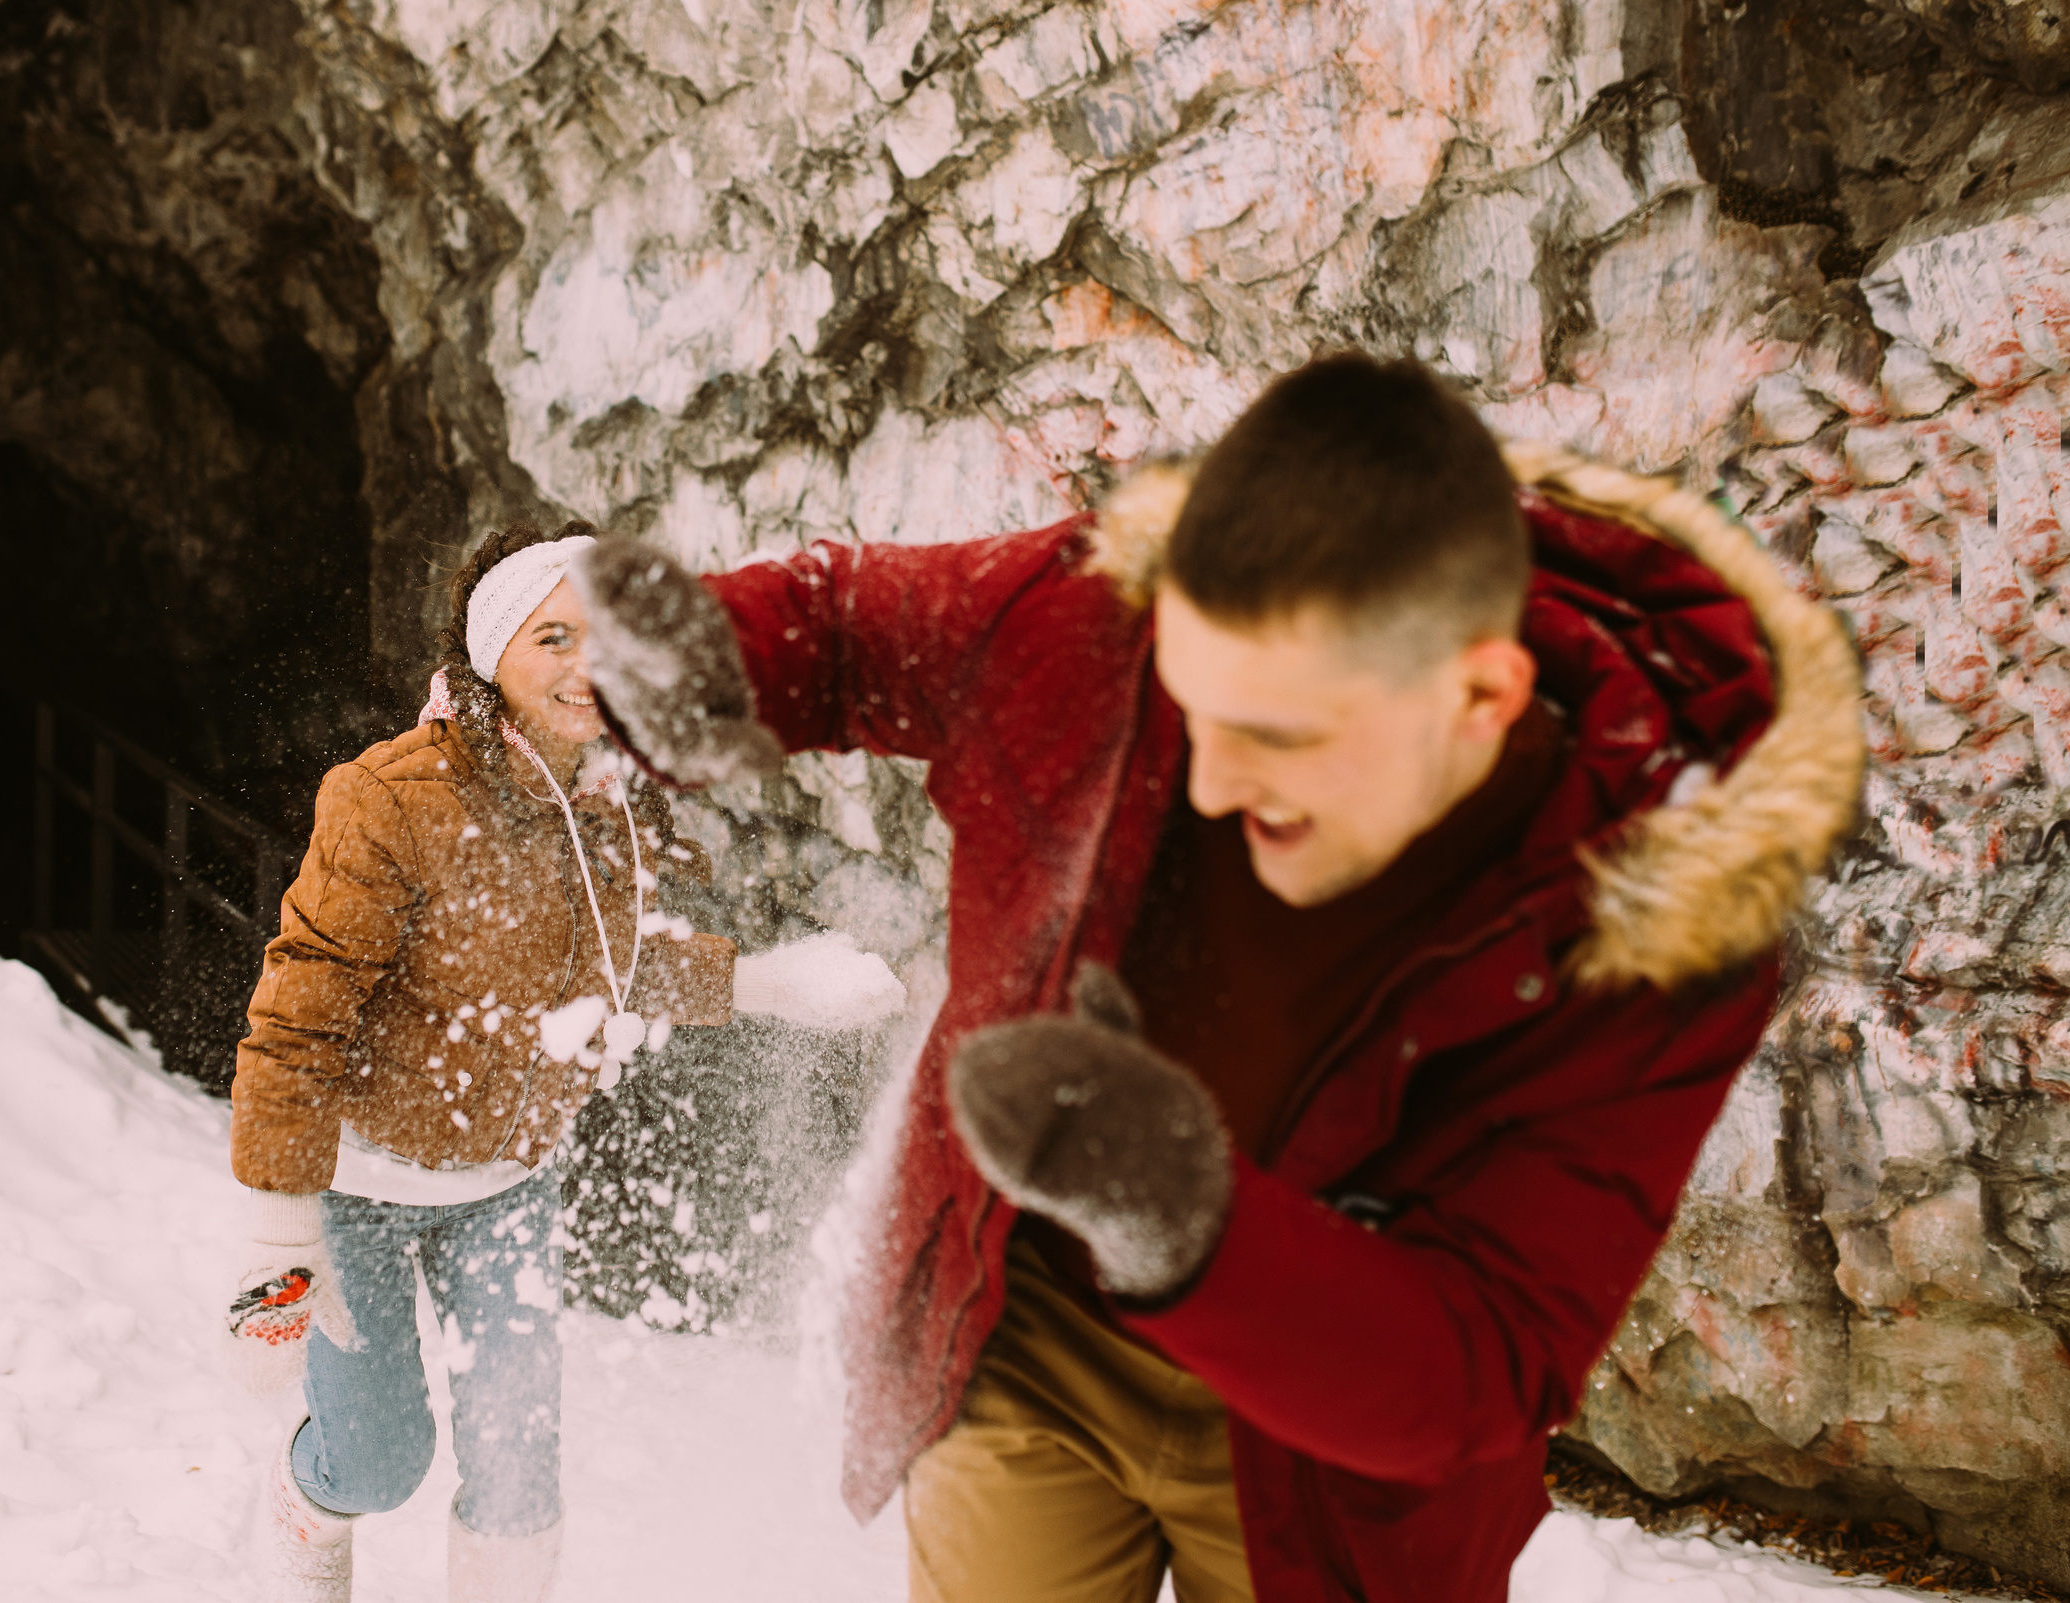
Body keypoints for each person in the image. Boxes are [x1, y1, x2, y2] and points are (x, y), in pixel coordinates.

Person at [565, 355, 1865, 1601]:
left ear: (1481, 694)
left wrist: (1180, 1212)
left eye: (1277, 737)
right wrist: (724, 660)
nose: (1211, 779)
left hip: (1338, 1461)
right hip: (1028, 1324)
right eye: (1197, 708)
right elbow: (856, 627)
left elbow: (1487, 1356)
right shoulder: (1099, 614)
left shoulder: (1665, 925)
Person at [223, 521, 904, 1603]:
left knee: (516, 1476)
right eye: (552, 636)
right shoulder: (391, 798)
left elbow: (610, 960)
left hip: (507, 1185)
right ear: (491, 651)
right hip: (357, 1185)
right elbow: (298, 1012)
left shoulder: (604, 809)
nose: (585, 667)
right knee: (379, 1461)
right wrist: (274, 1238)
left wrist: (773, 986)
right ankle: (307, 1505)